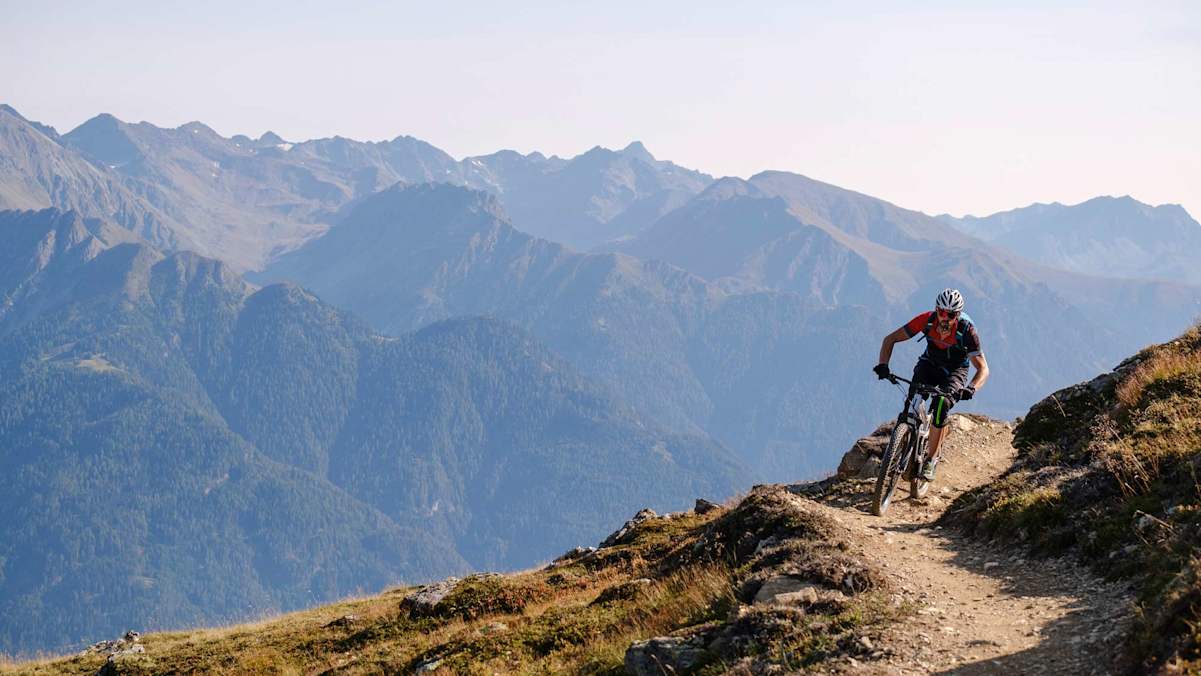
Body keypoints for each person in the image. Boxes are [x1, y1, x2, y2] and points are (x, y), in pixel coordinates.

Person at [873, 288, 990, 481]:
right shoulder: (926, 320)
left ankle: (931, 459)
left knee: (941, 405)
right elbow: (890, 339)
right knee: (911, 403)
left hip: (955, 371)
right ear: (936, 309)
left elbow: (983, 368)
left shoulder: (967, 331)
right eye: (941, 312)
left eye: (950, 315)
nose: (945, 318)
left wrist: (971, 388)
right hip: (930, 363)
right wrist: (883, 365)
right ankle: (903, 446)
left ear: (958, 315)